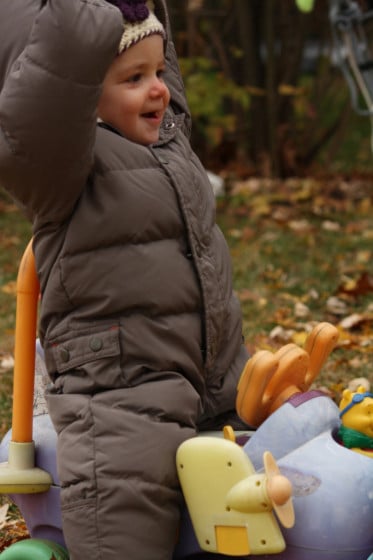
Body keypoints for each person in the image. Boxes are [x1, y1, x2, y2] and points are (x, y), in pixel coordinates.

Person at [0, 1, 250, 558]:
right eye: (134, 78)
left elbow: (159, 72)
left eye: (159, 72)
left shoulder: (167, 144)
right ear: (83, 95)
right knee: (126, 523)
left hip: (216, 382)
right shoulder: (63, 166)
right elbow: (46, 92)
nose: (158, 89)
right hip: (120, 396)